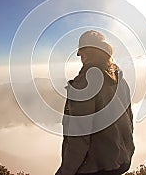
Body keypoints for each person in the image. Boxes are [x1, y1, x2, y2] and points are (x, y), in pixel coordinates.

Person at [56, 30, 134, 175]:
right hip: (120, 161)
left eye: (81, 54)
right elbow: (129, 119)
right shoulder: (120, 81)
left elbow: (79, 137)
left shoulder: (83, 85)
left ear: (84, 54)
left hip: (94, 168)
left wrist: (65, 171)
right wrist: (128, 151)